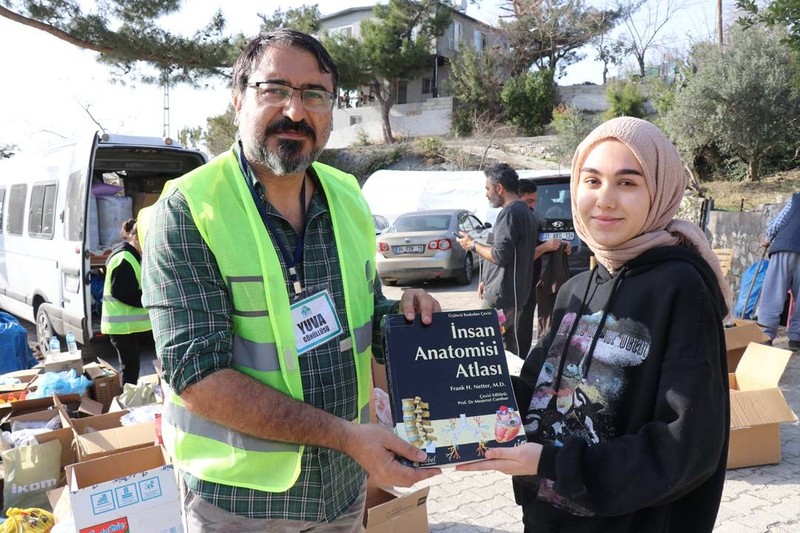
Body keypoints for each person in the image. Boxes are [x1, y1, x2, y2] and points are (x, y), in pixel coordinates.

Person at [141, 29, 441, 532]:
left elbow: (363, 310)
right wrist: (348, 437)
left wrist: (407, 318)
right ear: (238, 100)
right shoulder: (189, 207)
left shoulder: (347, 196)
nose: (296, 111)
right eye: (274, 89)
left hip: (342, 491)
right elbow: (195, 375)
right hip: (243, 506)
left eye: (314, 95)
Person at [458, 117, 731, 533]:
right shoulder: (575, 290)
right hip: (548, 517)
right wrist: (448, 376)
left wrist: (549, 463)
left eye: (627, 183)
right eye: (591, 181)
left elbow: (686, 449)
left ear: (660, 190)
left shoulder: (681, 287)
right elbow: (532, 391)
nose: (605, 200)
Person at [456, 163, 537, 356]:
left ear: (499, 188)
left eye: (487, 188)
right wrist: (485, 280)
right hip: (511, 294)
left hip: (502, 296)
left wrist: (472, 245)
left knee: (485, 347)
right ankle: (513, 385)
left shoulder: (509, 214)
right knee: (508, 349)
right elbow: (504, 252)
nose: (486, 193)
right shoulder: (526, 211)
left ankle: (497, 385)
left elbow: (500, 255)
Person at [517, 179, 572, 357]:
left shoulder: (530, 217)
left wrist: (558, 245)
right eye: (529, 202)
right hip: (515, 286)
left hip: (530, 282)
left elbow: (537, 245)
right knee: (517, 329)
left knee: (525, 328)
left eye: (535, 201)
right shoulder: (511, 220)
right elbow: (516, 257)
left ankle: (522, 363)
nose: (533, 206)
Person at [100, 218, 151, 385]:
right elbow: (121, 292)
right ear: (135, 238)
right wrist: (149, 299)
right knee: (130, 371)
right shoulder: (124, 258)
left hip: (128, 328)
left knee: (131, 369)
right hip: (124, 328)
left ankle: (131, 402)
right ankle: (129, 406)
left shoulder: (130, 255)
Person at [756, 192, 800, 350]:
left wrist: (767, 238)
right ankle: (797, 337)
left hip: (784, 246)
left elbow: (779, 220)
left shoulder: (797, 198)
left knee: (773, 292)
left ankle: (766, 334)